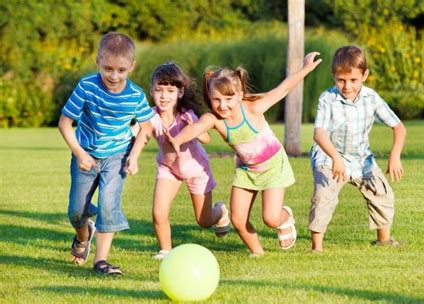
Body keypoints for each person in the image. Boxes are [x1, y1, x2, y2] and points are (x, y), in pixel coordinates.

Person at [166, 52, 322, 256]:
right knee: (238, 220)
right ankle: (258, 253)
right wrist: (177, 140)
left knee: (270, 218)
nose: (222, 105)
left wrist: (305, 69)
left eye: (229, 98)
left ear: (239, 95)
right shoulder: (214, 119)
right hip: (246, 170)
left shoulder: (254, 107)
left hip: (273, 166)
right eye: (216, 99)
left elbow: (283, 89)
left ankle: (284, 218)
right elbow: (196, 128)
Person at [58, 32, 154, 274]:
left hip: (117, 157)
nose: (114, 76)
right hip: (86, 155)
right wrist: (79, 153)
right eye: (108, 68)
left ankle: (100, 261)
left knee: (109, 204)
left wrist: (133, 157)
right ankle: (83, 235)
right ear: (97, 62)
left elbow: (147, 127)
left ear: (132, 66)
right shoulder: (87, 86)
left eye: (121, 70)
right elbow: (64, 123)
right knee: (76, 211)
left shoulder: (135, 95)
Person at [309, 45, 407, 252]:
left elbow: (398, 127)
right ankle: (316, 248)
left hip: (362, 159)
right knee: (323, 196)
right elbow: (319, 134)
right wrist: (335, 158)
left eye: (353, 80)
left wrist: (395, 155)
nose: (346, 86)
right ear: (333, 76)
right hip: (329, 156)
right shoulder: (328, 99)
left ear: (365, 75)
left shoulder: (371, 98)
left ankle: (383, 240)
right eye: (341, 80)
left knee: (382, 193)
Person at [131, 62, 230, 260]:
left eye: (170, 90)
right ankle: (165, 251)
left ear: (180, 92)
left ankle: (220, 212)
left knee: (204, 221)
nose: (164, 96)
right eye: (159, 90)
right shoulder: (150, 116)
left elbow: (206, 139)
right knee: (159, 213)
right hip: (169, 169)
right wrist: (132, 157)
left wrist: (195, 128)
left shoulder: (187, 115)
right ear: (152, 90)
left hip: (196, 169)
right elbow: (139, 134)